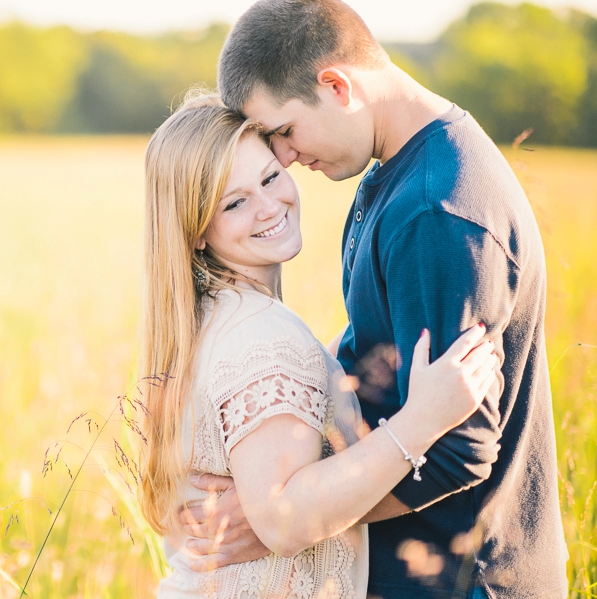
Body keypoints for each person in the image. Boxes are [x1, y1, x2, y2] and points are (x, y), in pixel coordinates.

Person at [180, 1, 569, 597]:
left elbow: (458, 449)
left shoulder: (436, 209)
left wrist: (281, 523)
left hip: (467, 578)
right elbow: (376, 349)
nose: (283, 157)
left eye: (284, 131)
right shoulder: (393, 177)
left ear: (336, 85)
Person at [141, 93, 498, 598]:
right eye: (235, 202)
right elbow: (284, 523)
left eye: (269, 178)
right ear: (197, 229)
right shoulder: (263, 339)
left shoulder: (209, 318)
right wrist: (422, 421)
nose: (269, 207)